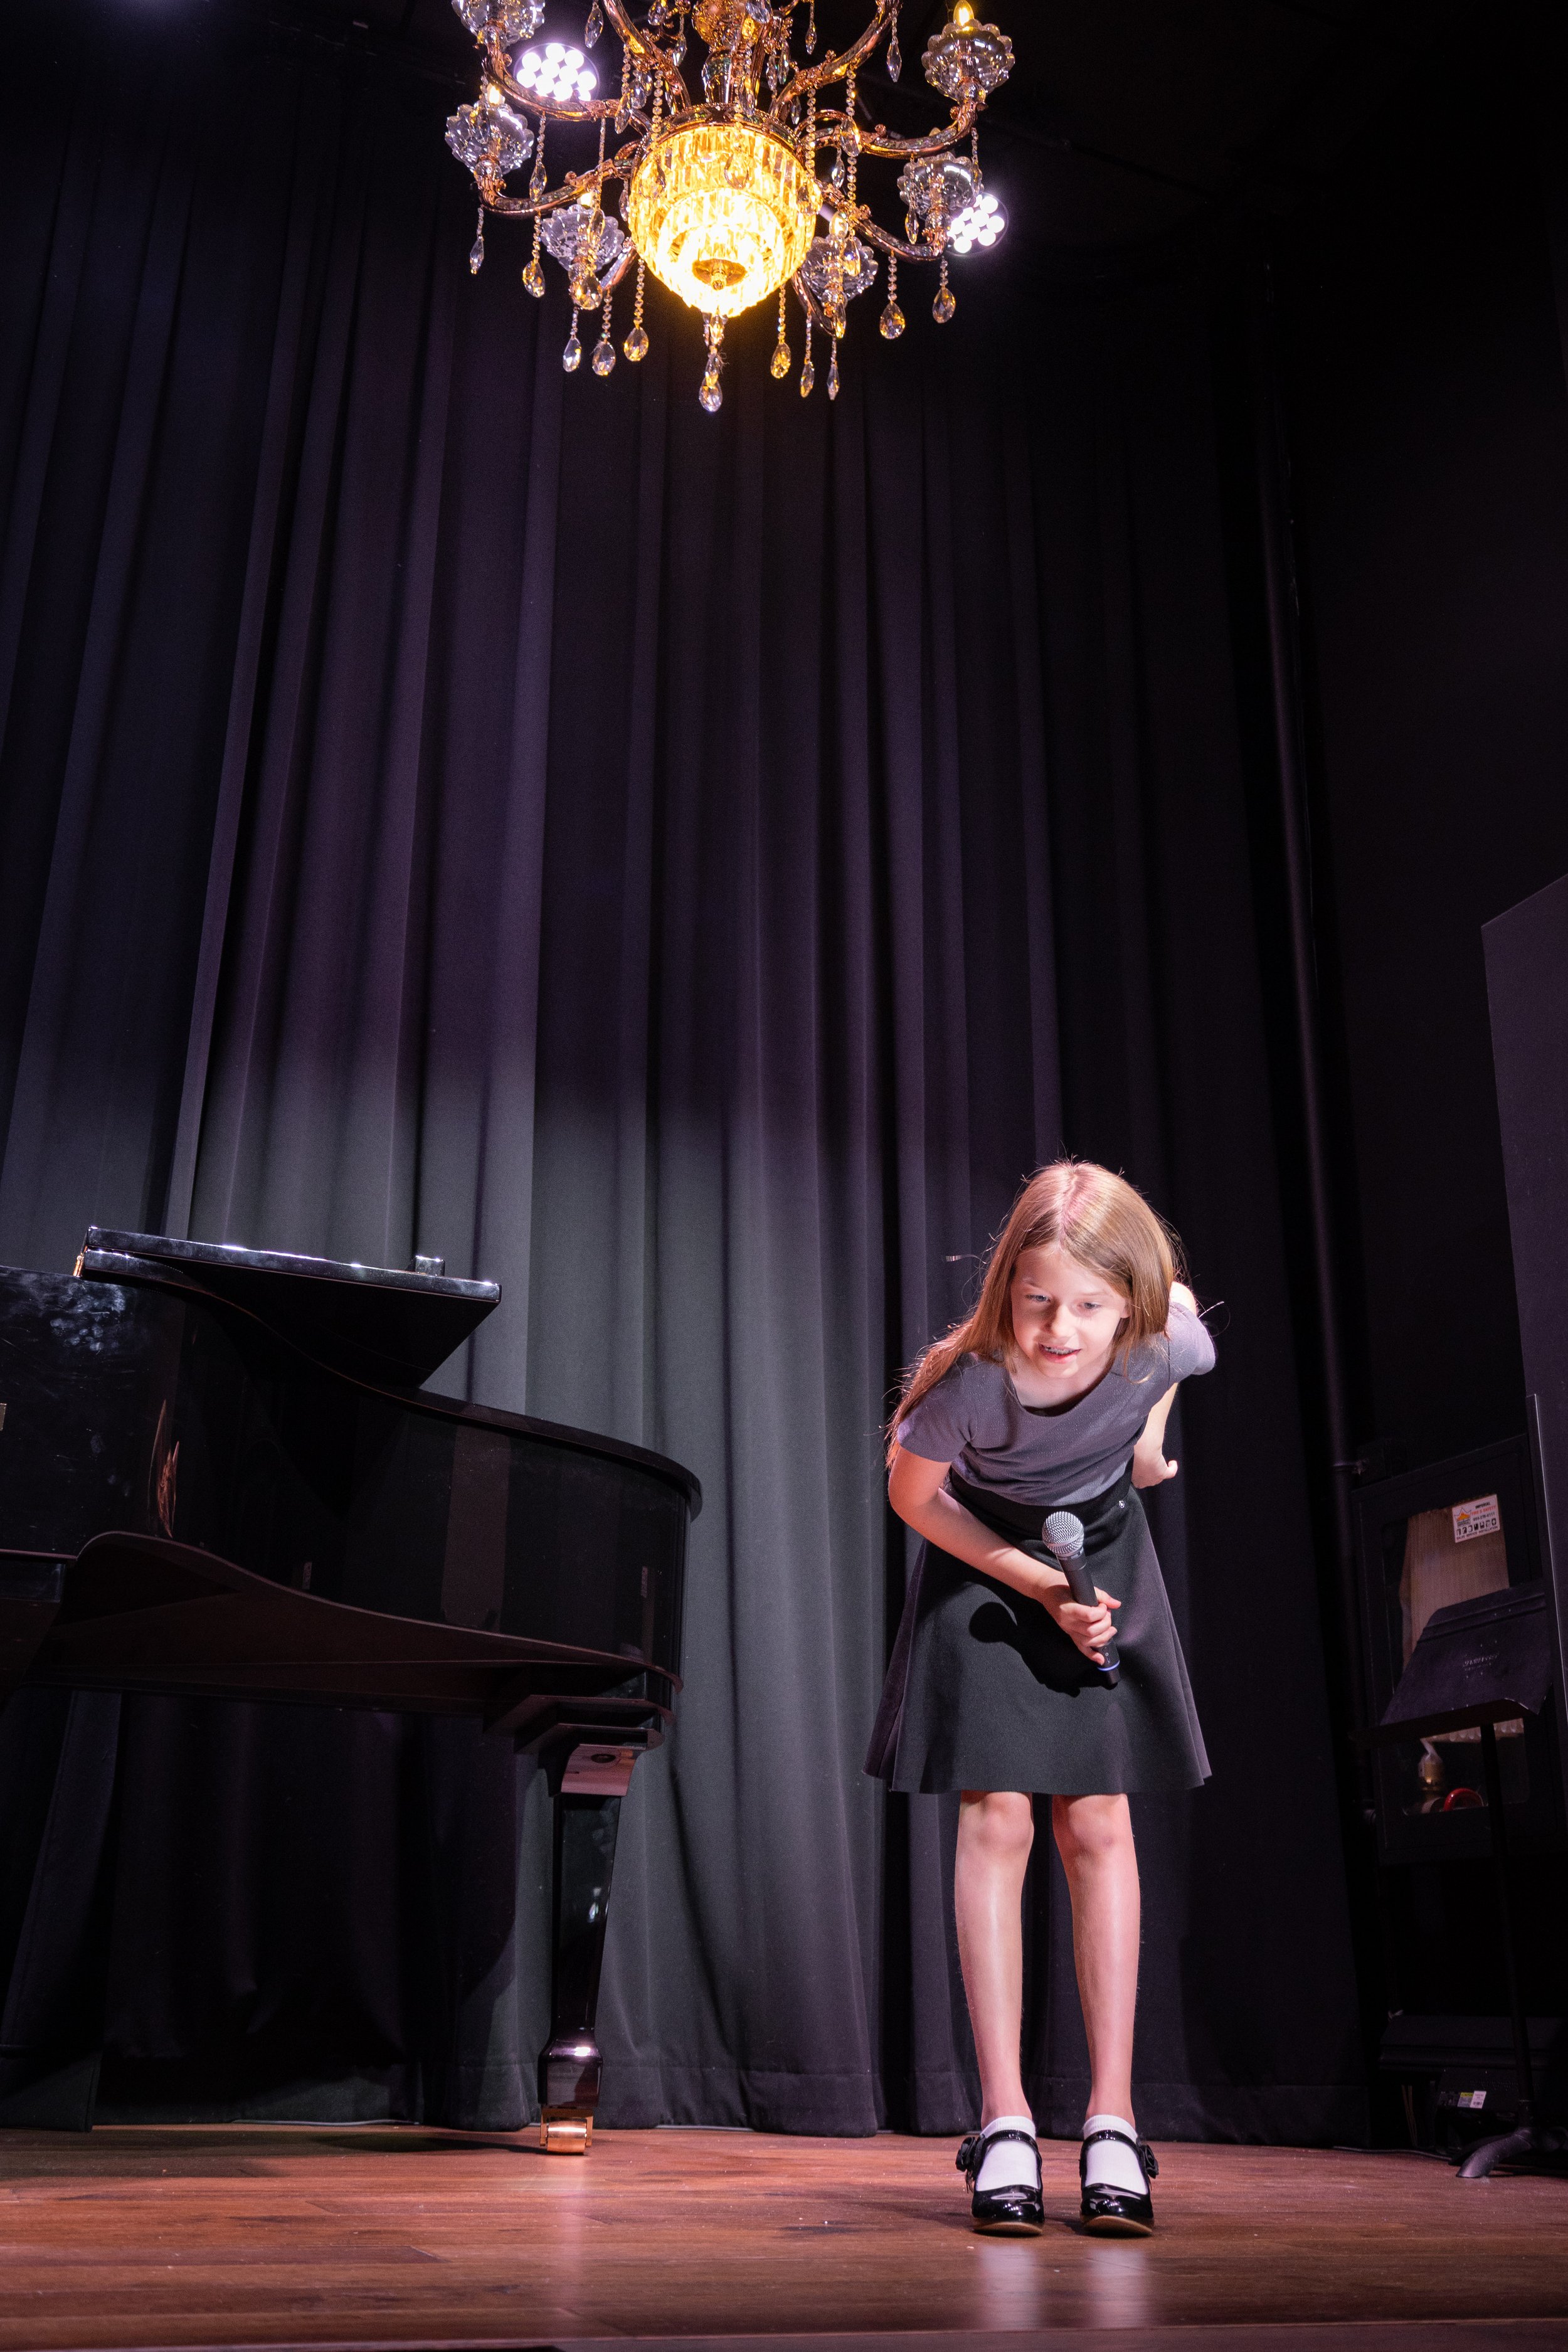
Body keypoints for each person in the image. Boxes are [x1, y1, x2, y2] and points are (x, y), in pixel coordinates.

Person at [864, 1160, 1214, 2237]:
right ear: (1006, 1285)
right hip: (988, 1563)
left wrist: (1148, 1439)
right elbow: (912, 1498)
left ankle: (1112, 2121)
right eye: (1037, 1299)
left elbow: (1188, 1329)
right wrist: (1038, 1590)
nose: (1061, 1329)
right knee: (998, 1810)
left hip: (1102, 1543)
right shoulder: (967, 1384)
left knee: (1100, 1818)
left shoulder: (1167, 1339)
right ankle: (1005, 2120)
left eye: (1093, 1307)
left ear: (1134, 1305)